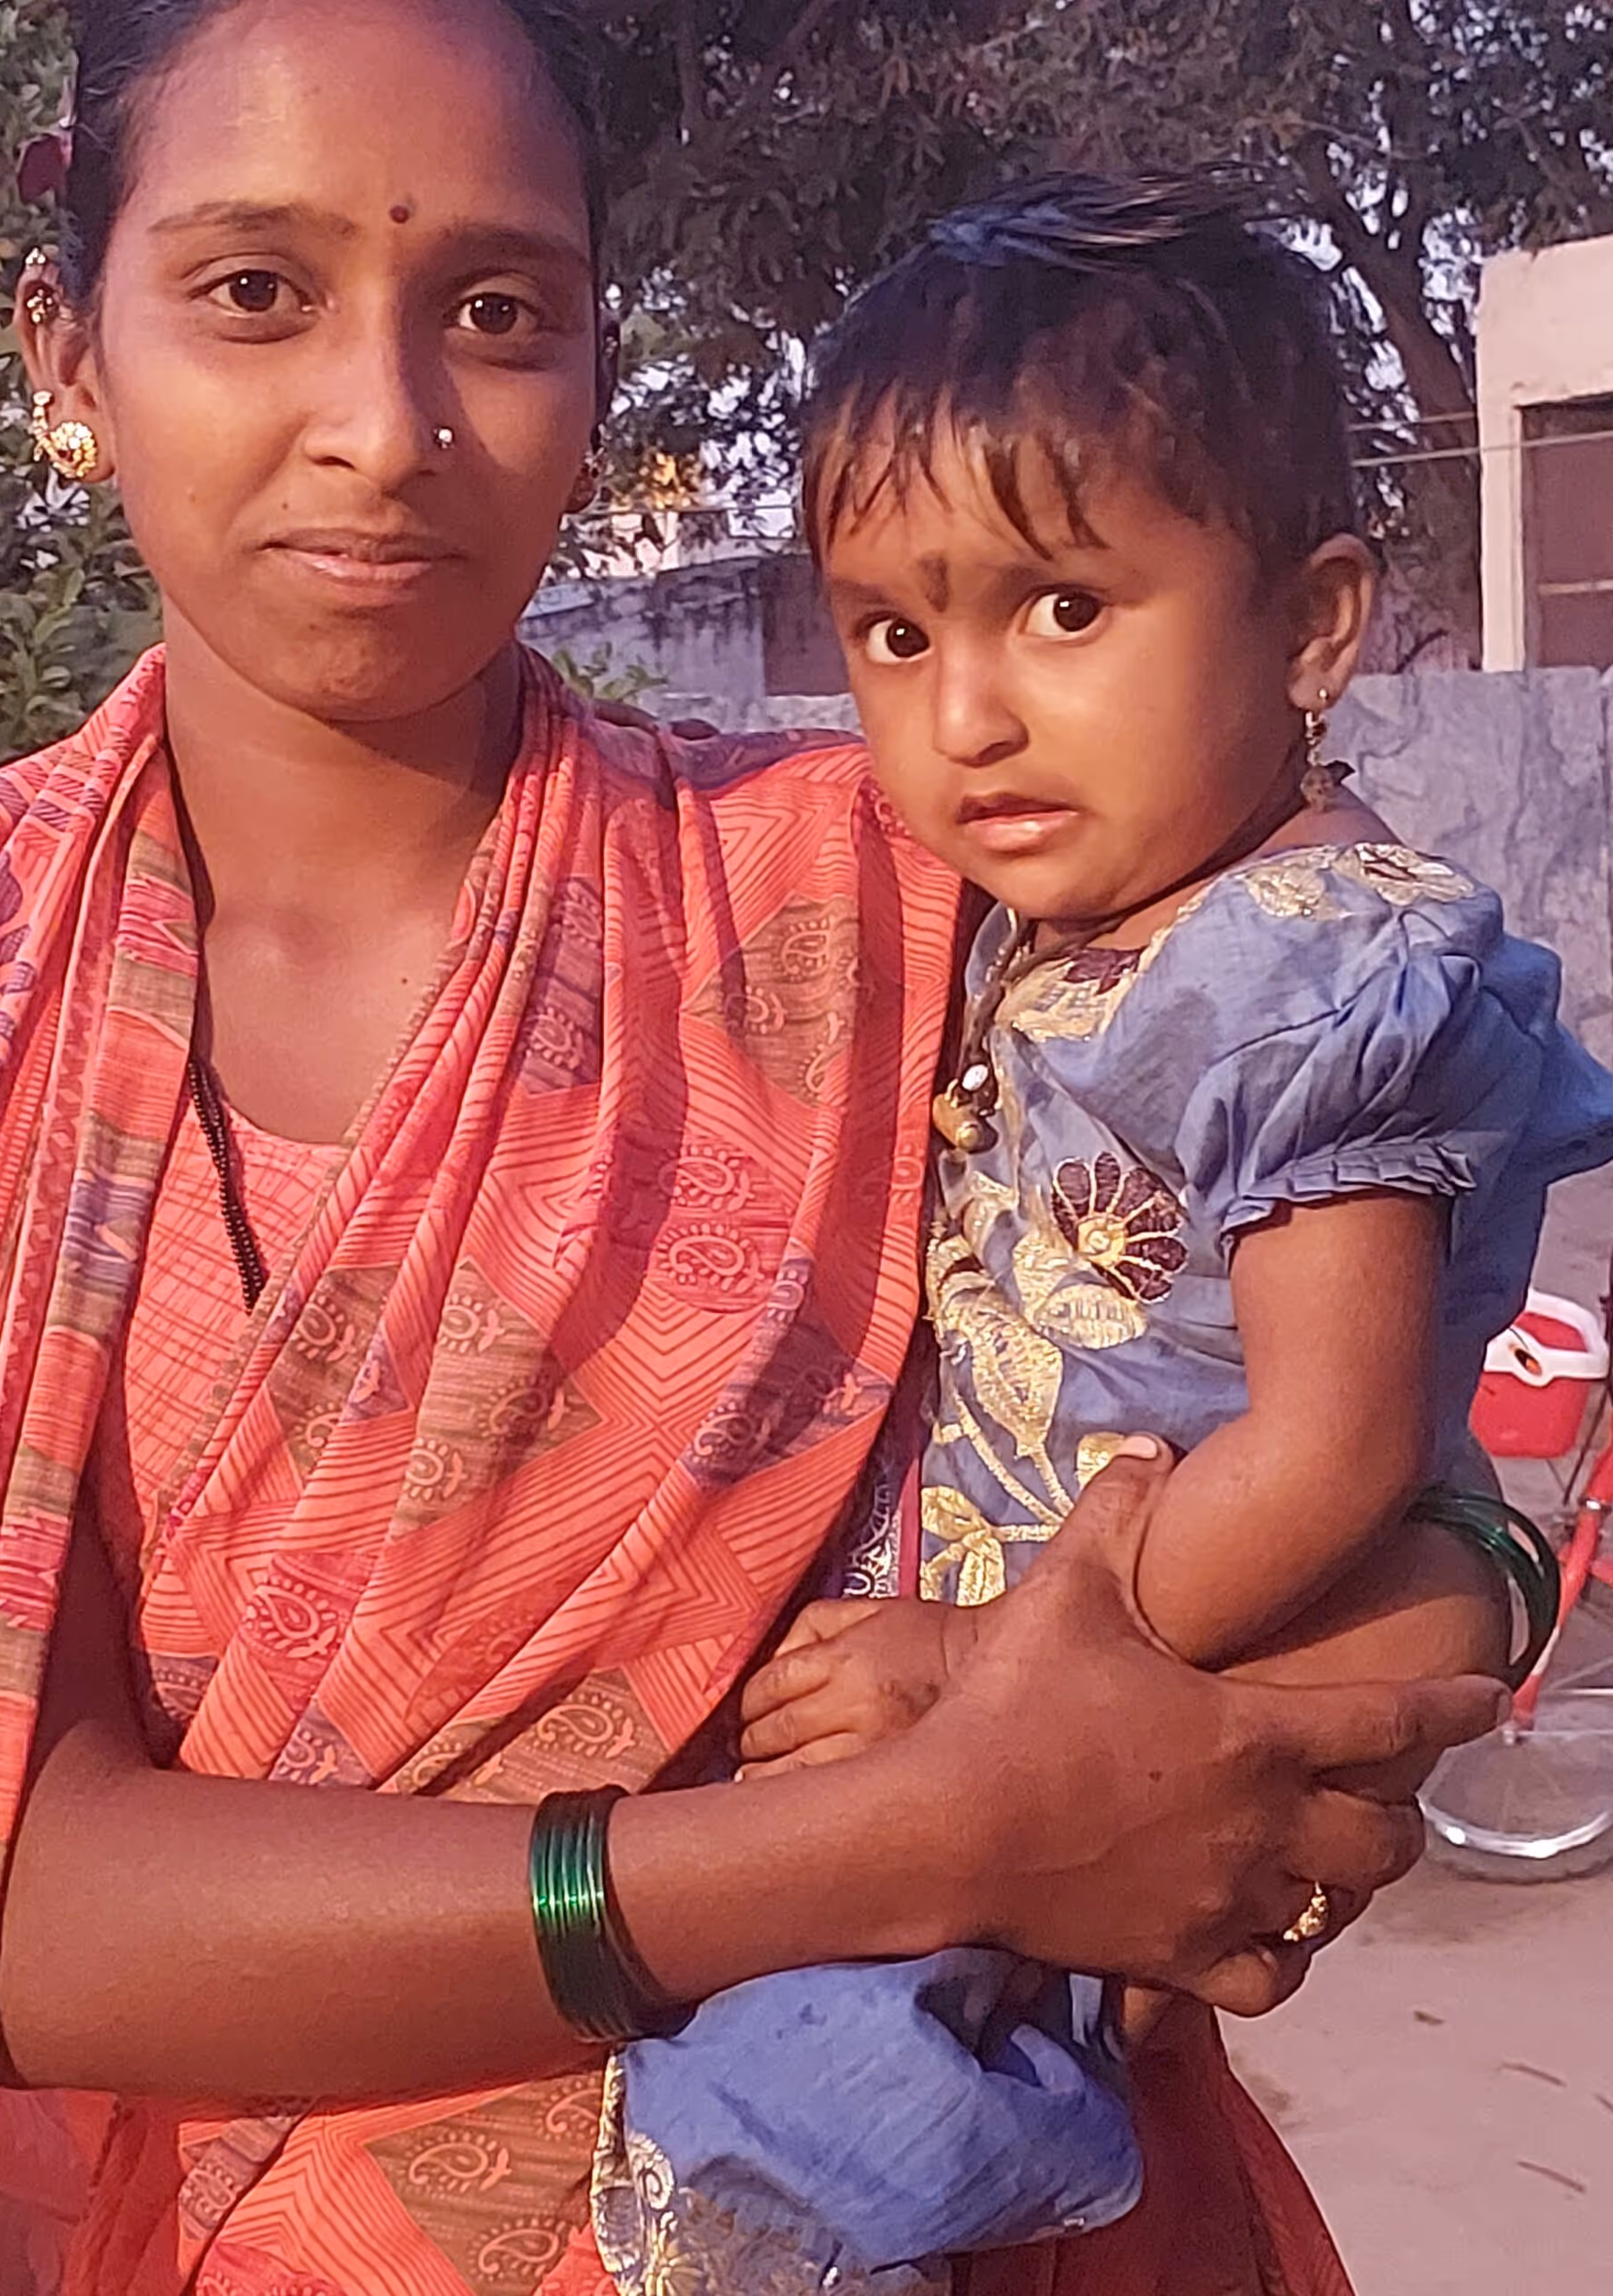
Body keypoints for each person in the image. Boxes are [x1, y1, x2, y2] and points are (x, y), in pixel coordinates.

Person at [0, 13, 1509, 2292]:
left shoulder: (906, 892)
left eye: (497, 310)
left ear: (597, 369)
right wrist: (912, 1834)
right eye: (255, 290)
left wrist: (1345, 1684)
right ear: (69, 346)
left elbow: (1364, 1472)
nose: (385, 422)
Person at [606, 174, 1609, 2296]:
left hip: (1137, 1656)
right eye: (895, 631)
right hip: (1050, 1654)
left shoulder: (1303, 977)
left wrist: (979, 1678)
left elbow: (1335, 1447)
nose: (965, 712)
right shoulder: (1095, 912)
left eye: (1063, 609)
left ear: (1315, 624)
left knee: (830, 2083)